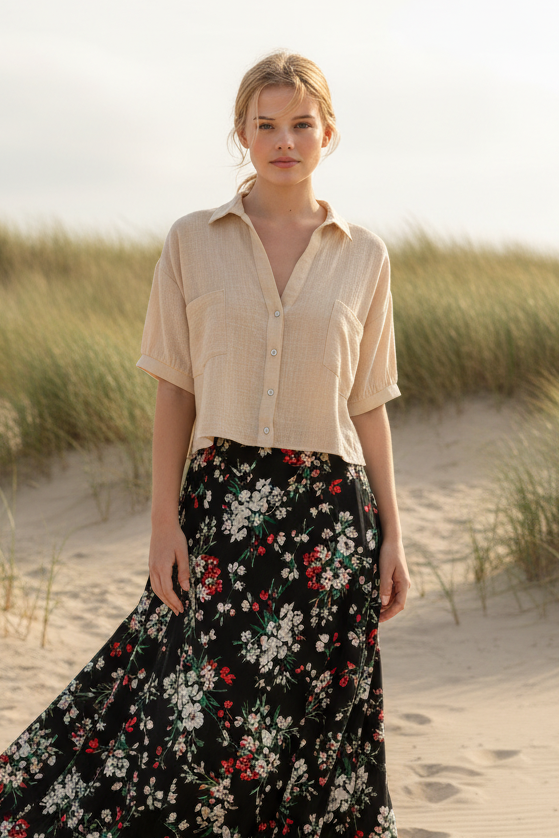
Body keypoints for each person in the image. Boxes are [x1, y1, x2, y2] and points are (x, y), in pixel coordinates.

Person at [0, 50, 410, 838]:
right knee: (200, 713)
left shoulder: (365, 256)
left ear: (328, 132)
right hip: (220, 507)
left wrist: (395, 535)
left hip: (330, 520)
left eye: (299, 123)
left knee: (307, 717)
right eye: (265, 125)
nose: (283, 140)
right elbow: (174, 391)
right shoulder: (193, 241)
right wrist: (163, 521)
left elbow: (368, 407)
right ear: (241, 133)